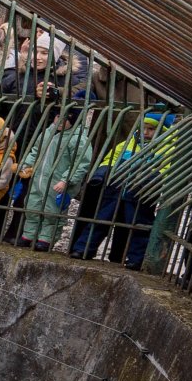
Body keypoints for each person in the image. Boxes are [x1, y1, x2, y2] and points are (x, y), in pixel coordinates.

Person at [70, 110, 176, 269]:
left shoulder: (167, 149)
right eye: (144, 127)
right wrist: (103, 172)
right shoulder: (128, 143)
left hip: (142, 194)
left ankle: (136, 259)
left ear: (163, 130)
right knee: (100, 220)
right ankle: (83, 248)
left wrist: (152, 180)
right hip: (116, 189)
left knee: (139, 227)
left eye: (151, 129)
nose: (146, 132)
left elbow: (167, 171)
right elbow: (110, 158)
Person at [16, 96, 95, 251]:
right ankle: (29, 235)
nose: (59, 120)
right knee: (32, 206)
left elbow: (80, 163)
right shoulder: (48, 132)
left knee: (52, 212)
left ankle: (46, 239)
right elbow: (36, 150)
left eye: (65, 118)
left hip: (57, 182)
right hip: (38, 178)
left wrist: (67, 180)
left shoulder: (77, 138)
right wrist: (27, 164)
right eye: (58, 116)